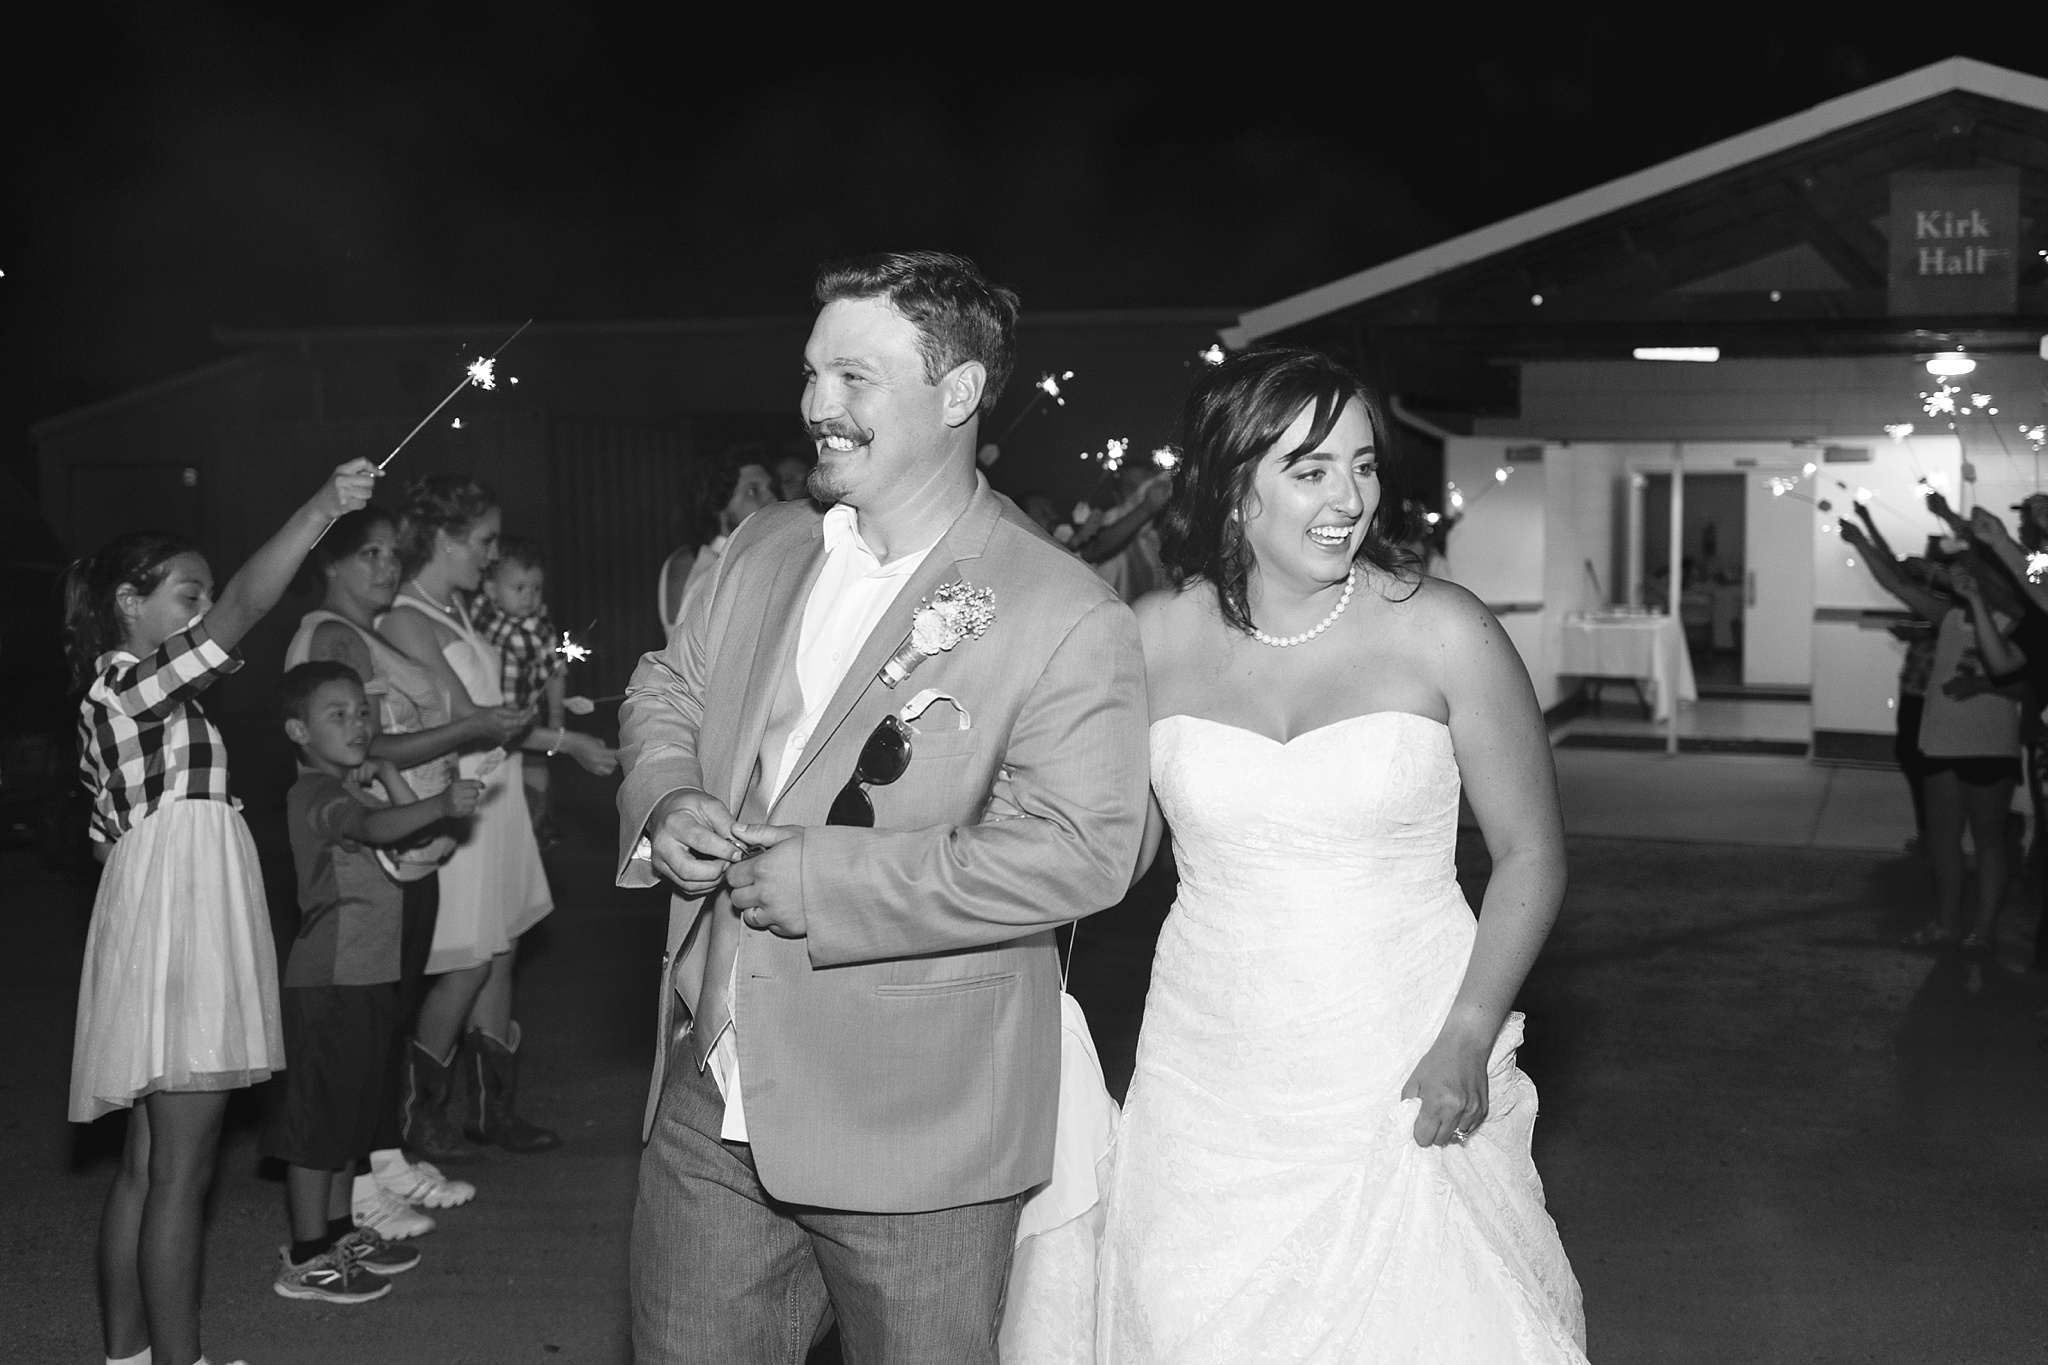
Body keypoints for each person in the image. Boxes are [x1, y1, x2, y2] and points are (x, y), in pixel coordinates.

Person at [617, 251, 1149, 1365]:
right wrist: (666, 796)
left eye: (854, 378)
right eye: (811, 373)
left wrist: (826, 881)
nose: (816, 405)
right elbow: (666, 688)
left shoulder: (1060, 608)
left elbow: (1082, 854)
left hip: (918, 1127)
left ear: (955, 394)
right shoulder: (761, 545)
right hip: (707, 1100)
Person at [1096, 347, 1587, 1362]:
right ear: (1235, 490)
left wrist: (1466, 1031)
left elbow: (1529, 853)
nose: (1348, 497)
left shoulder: (1441, 630)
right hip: (1207, 1063)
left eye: (1362, 466)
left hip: (1397, 1047)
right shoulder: (1150, 636)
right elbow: (1120, 852)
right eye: (1310, 469)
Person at [65, 457, 378, 1365]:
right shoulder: (135, 683)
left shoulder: (110, 700)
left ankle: (128, 1357)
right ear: (130, 601)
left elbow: (100, 842)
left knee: (146, 1168)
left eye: (199, 595)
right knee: (182, 1174)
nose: (202, 610)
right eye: (183, 594)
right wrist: (321, 505)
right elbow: (246, 604)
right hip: (182, 913)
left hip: (152, 911)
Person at [287, 505, 520, 1211]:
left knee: (388, 1013)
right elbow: (371, 744)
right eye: (370, 555)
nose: (388, 567)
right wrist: (471, 728)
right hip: (377, 848)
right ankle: (360, 1181)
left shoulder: (362, 631)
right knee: (367, 1021)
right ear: (328, 563)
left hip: (408, 837)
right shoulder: (333, 636)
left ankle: (377, 1161)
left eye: (394, 555)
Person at [382, 476, 593, 1153]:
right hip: (461, 799)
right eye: (483, 540)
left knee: (500, 950)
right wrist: (555, 735)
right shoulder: (406, 617)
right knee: (468, 957)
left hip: (495, 795)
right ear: (444, 540)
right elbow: (465, 721)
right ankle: (420, 1111)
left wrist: (564, 737)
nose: (492, 554)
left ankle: (492, 1108)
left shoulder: (461, 610)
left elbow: (493, 718)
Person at [266, 661, 484, 1303]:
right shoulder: (315, 795)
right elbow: (374, 827)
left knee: (353, 1118)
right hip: (329, 980)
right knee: (319, 1123)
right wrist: (439, 802)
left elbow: (396, 830)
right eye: (337, 715)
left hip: (365, 978)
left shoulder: (346, 785)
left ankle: (337, 1233)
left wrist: (394, 780)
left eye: (363, 711)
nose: (358, 724)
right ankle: (306, 1256)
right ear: (297, 731)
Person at [1845, 512, 2025, 956]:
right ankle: (1947, 923)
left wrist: (1980, 684)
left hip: (1987, 744)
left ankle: (1981, 930)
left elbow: (2028, 685)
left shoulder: (2023, 623)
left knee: (1988, 837)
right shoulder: (1949, 616)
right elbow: (1897, 585)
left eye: (1977, 573)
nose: (1967, 579)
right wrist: (1859, 543)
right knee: (1944, 836)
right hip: (1941, 739)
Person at [473, 538, 617, 844]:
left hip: (527, 719)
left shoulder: (541, 628)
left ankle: (539, 817)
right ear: (490, 590)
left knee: (536, 769)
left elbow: (555, 675)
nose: (529, 597)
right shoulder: (482, 619)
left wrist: (556, 718)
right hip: (491, 718)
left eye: (536, 588)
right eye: (519, 588)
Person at [655, 449, 778, 634]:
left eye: (772, 489)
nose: (772, 499)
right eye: (753, 491)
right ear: (718, 504)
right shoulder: (709, 571)